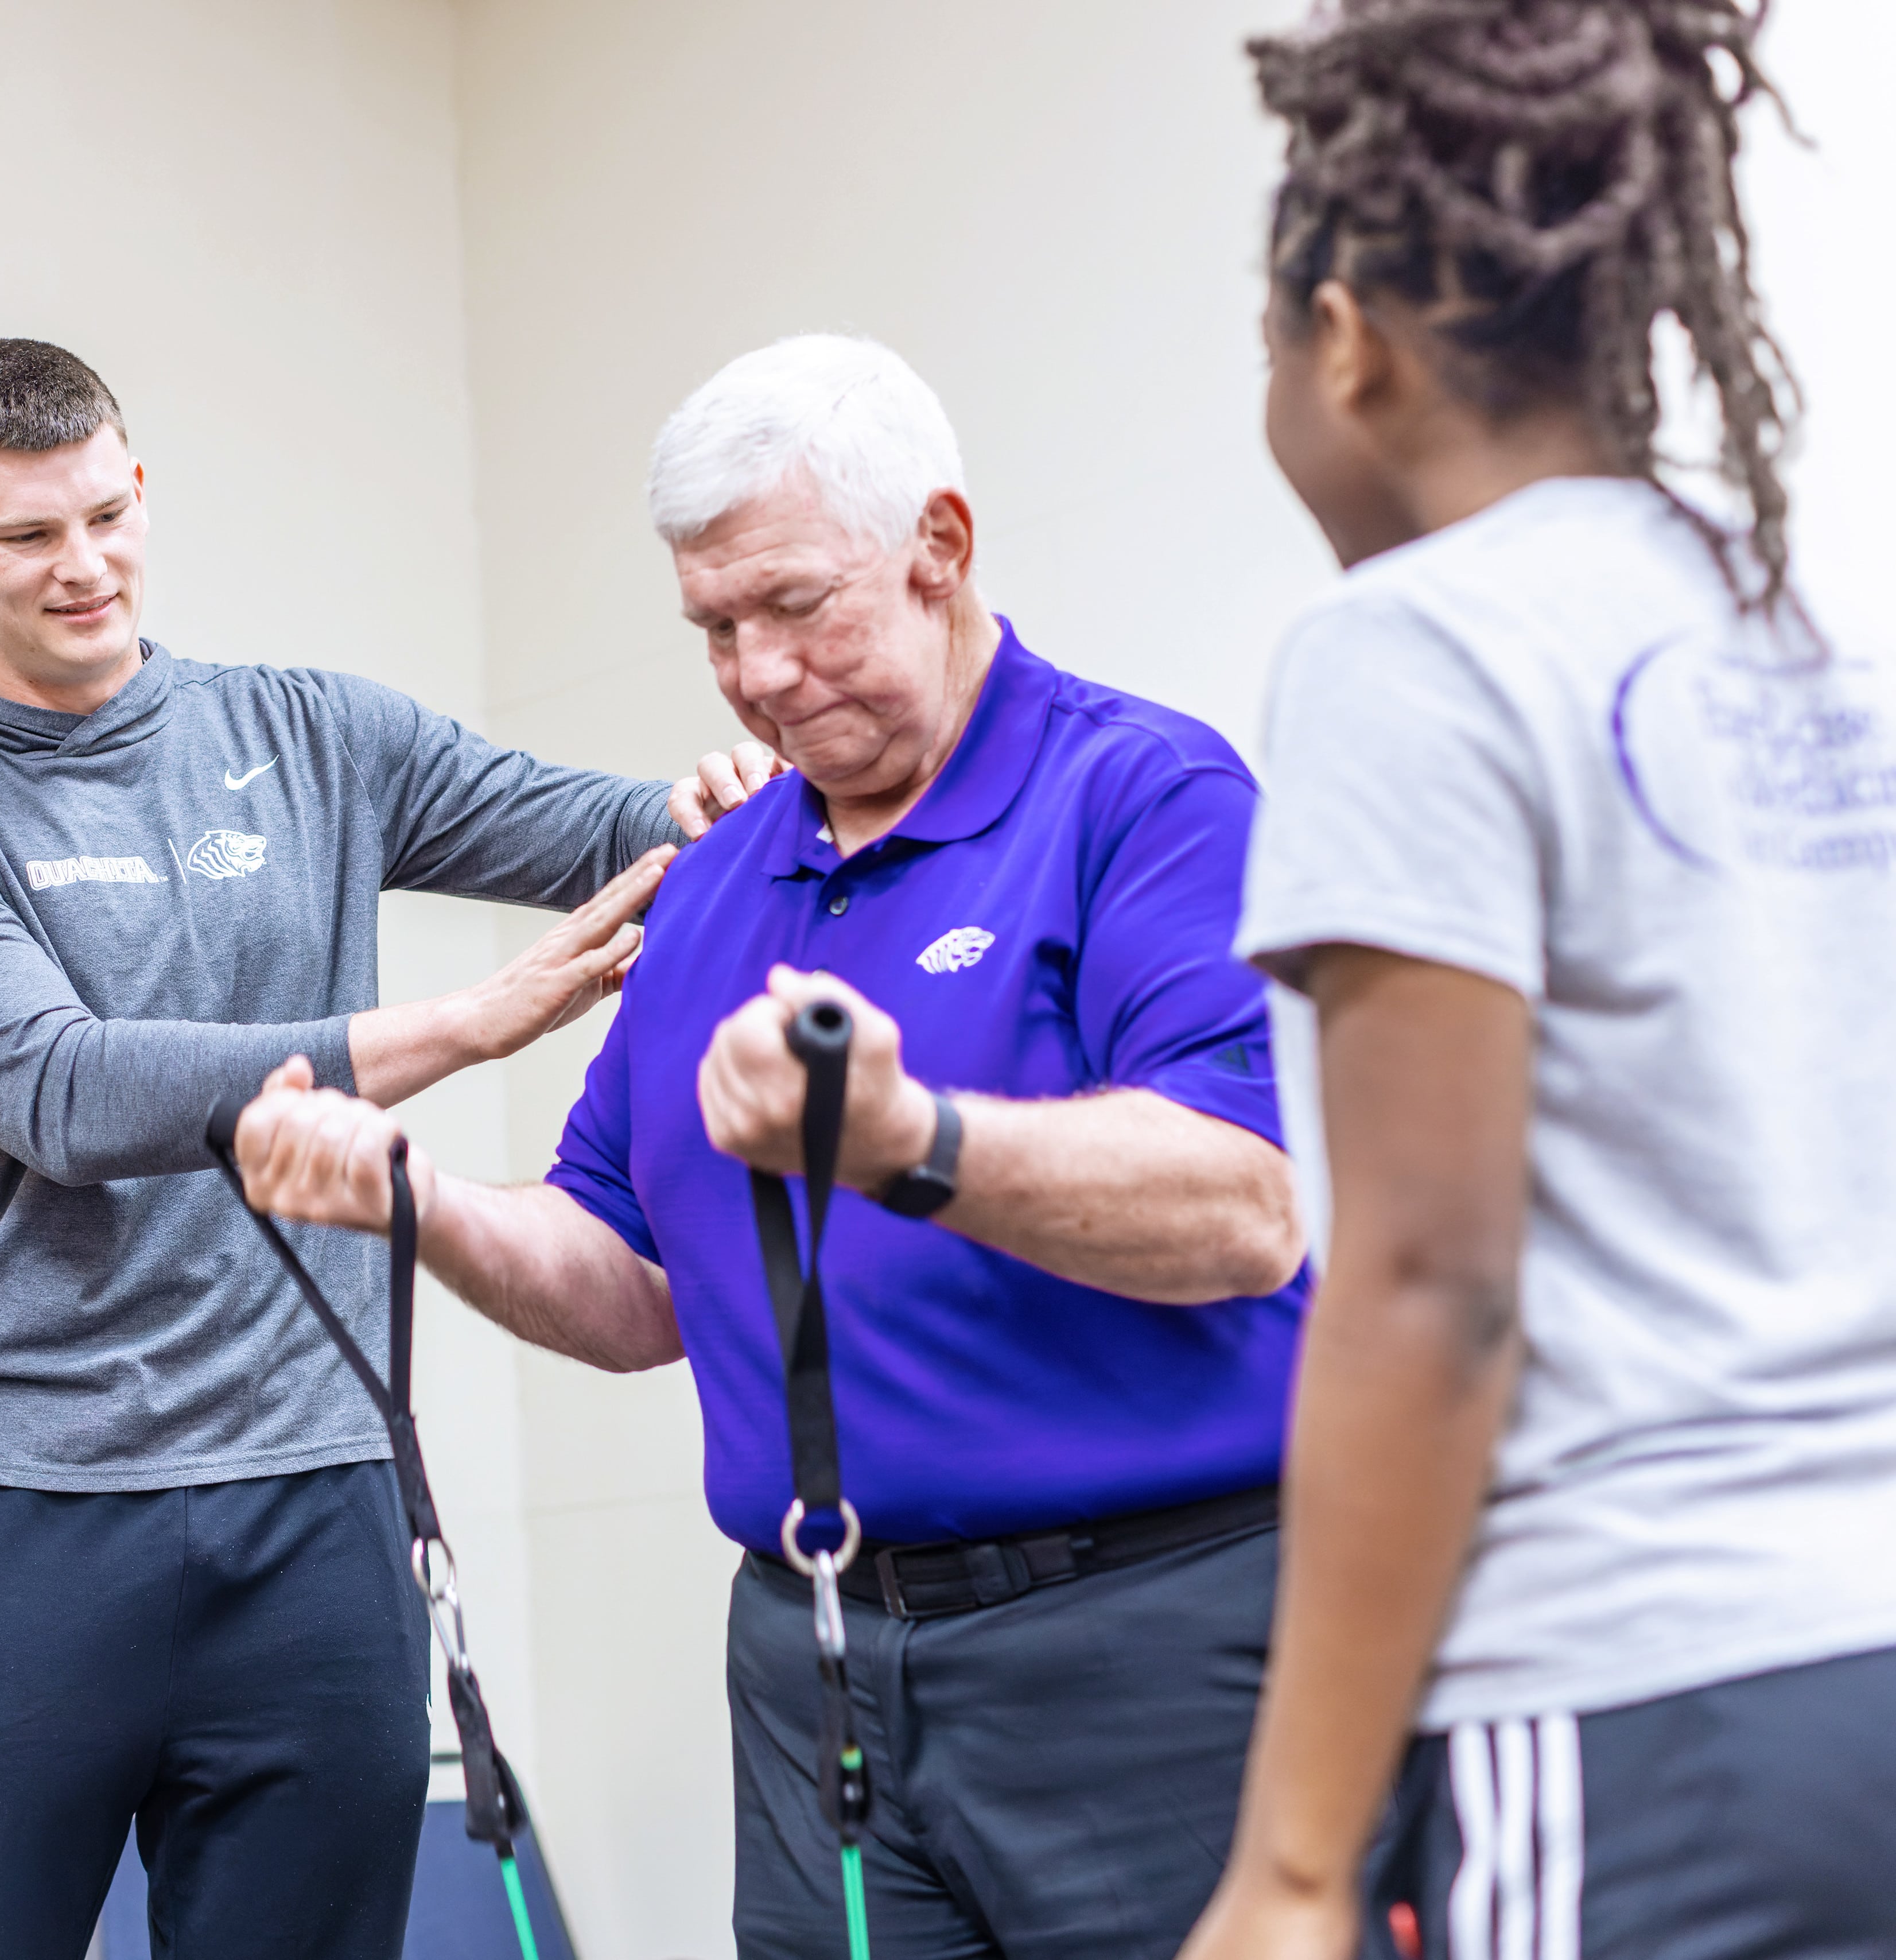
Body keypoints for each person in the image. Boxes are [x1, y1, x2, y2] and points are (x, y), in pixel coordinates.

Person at [229, 333, 1312, 1959]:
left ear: (938, 547)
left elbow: (1246, 1213)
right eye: (715, 628)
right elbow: (627, 1288)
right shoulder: (720, 881)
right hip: (820, 1669)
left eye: (797, 606)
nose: (755, 673)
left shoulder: (1141, 795)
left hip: (1153, 1648)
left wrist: (908, 1142)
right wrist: (417, 1199)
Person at [0, 339, 757, 1959]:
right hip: (15, 1514)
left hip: (315, 1511)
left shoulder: (317, 738)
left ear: (142, 488)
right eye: (25, 538)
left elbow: (621, 832)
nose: (82, 567)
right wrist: (463, 1027)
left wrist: (733, 799)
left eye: (106, 515)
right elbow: (65, 1095)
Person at [1179, 6, 1896, 1958]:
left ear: (1346, 341)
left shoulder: (1410, 645)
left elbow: (1434, 1284)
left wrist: (1298, 1862)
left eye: (1267, 356)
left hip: (1644, 1700)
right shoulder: (1810, 625)